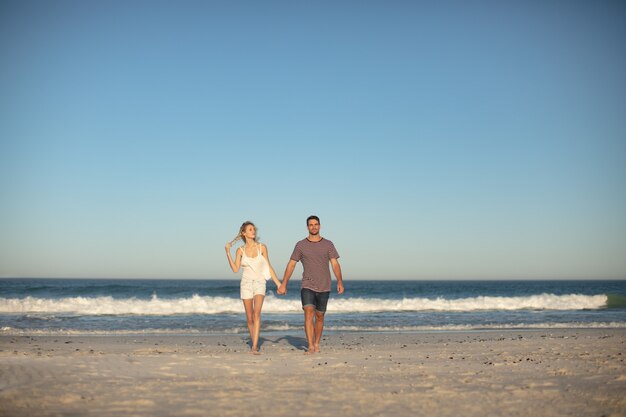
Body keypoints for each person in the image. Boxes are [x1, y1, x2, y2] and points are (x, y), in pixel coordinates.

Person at [278, 215, 344, 354]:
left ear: (319, 226)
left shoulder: (328, 244)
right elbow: (291, 265)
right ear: (307, 227)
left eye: (316, 224)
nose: (313, 227)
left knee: (319, 316)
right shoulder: (300, 245)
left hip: (324, 285)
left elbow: (335, 264)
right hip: (307, 284)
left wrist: (339, 281)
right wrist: (284, 283)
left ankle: (317, 343)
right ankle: (310, 346)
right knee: (308, 313)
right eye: (311, 225)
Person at [225, 221, 282, 354]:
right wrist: (228, 252)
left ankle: (254, 346)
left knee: (257, 314)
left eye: (253, 229)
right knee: (249, 318)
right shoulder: (240, 250)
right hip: (246, 284)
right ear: (244, 233)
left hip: (259, 282)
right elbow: (235, 269)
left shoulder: (262, 247)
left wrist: (278, 283)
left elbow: (269, 266)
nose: (253, 231)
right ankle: (254, 341)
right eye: (250, 229)